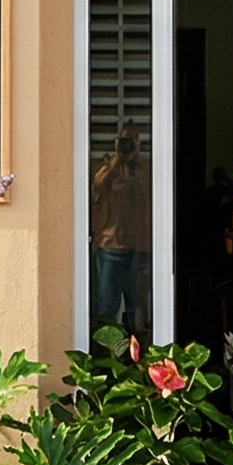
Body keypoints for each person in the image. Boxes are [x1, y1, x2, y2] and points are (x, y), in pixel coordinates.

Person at [91, 126, 148, 336]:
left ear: (138, 144)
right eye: (122, 141)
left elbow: (149, 195)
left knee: (138, 306)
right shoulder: (109, 167)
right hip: (110, 245)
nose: (126, 145)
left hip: (137, 247)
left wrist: (136, 162)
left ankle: (140, 351)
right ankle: (105, 351)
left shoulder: (144, 168)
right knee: (106, 306)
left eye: (130, 141)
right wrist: (116, 163)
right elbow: (97, 187)